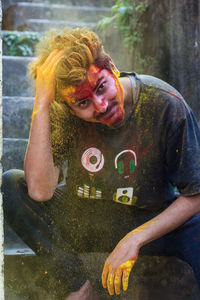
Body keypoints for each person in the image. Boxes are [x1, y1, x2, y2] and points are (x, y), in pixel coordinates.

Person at [2, 27, 200, 300]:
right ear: (69, 106)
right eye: (82, 102)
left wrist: (135, 238)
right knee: (12, 183)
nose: (100, 105)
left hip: (148, 219)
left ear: (113, 68)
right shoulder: (63, 115)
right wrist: (43, 101)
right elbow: (40, 191)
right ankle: (80, 289)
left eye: (101, 87)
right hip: (85, 221)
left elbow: (195, 195)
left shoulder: (165, 104)